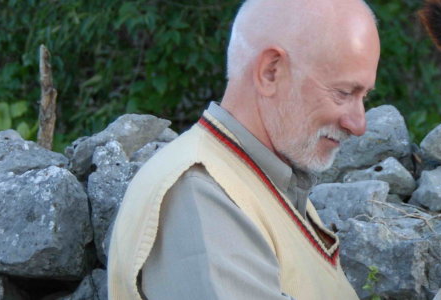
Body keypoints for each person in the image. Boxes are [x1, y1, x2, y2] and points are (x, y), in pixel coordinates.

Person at [107, 0, 379, 298]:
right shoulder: (201, 193)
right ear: (270, 72)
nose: (359, 124)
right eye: (343, 93)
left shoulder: (259, 180)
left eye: (363, 96)